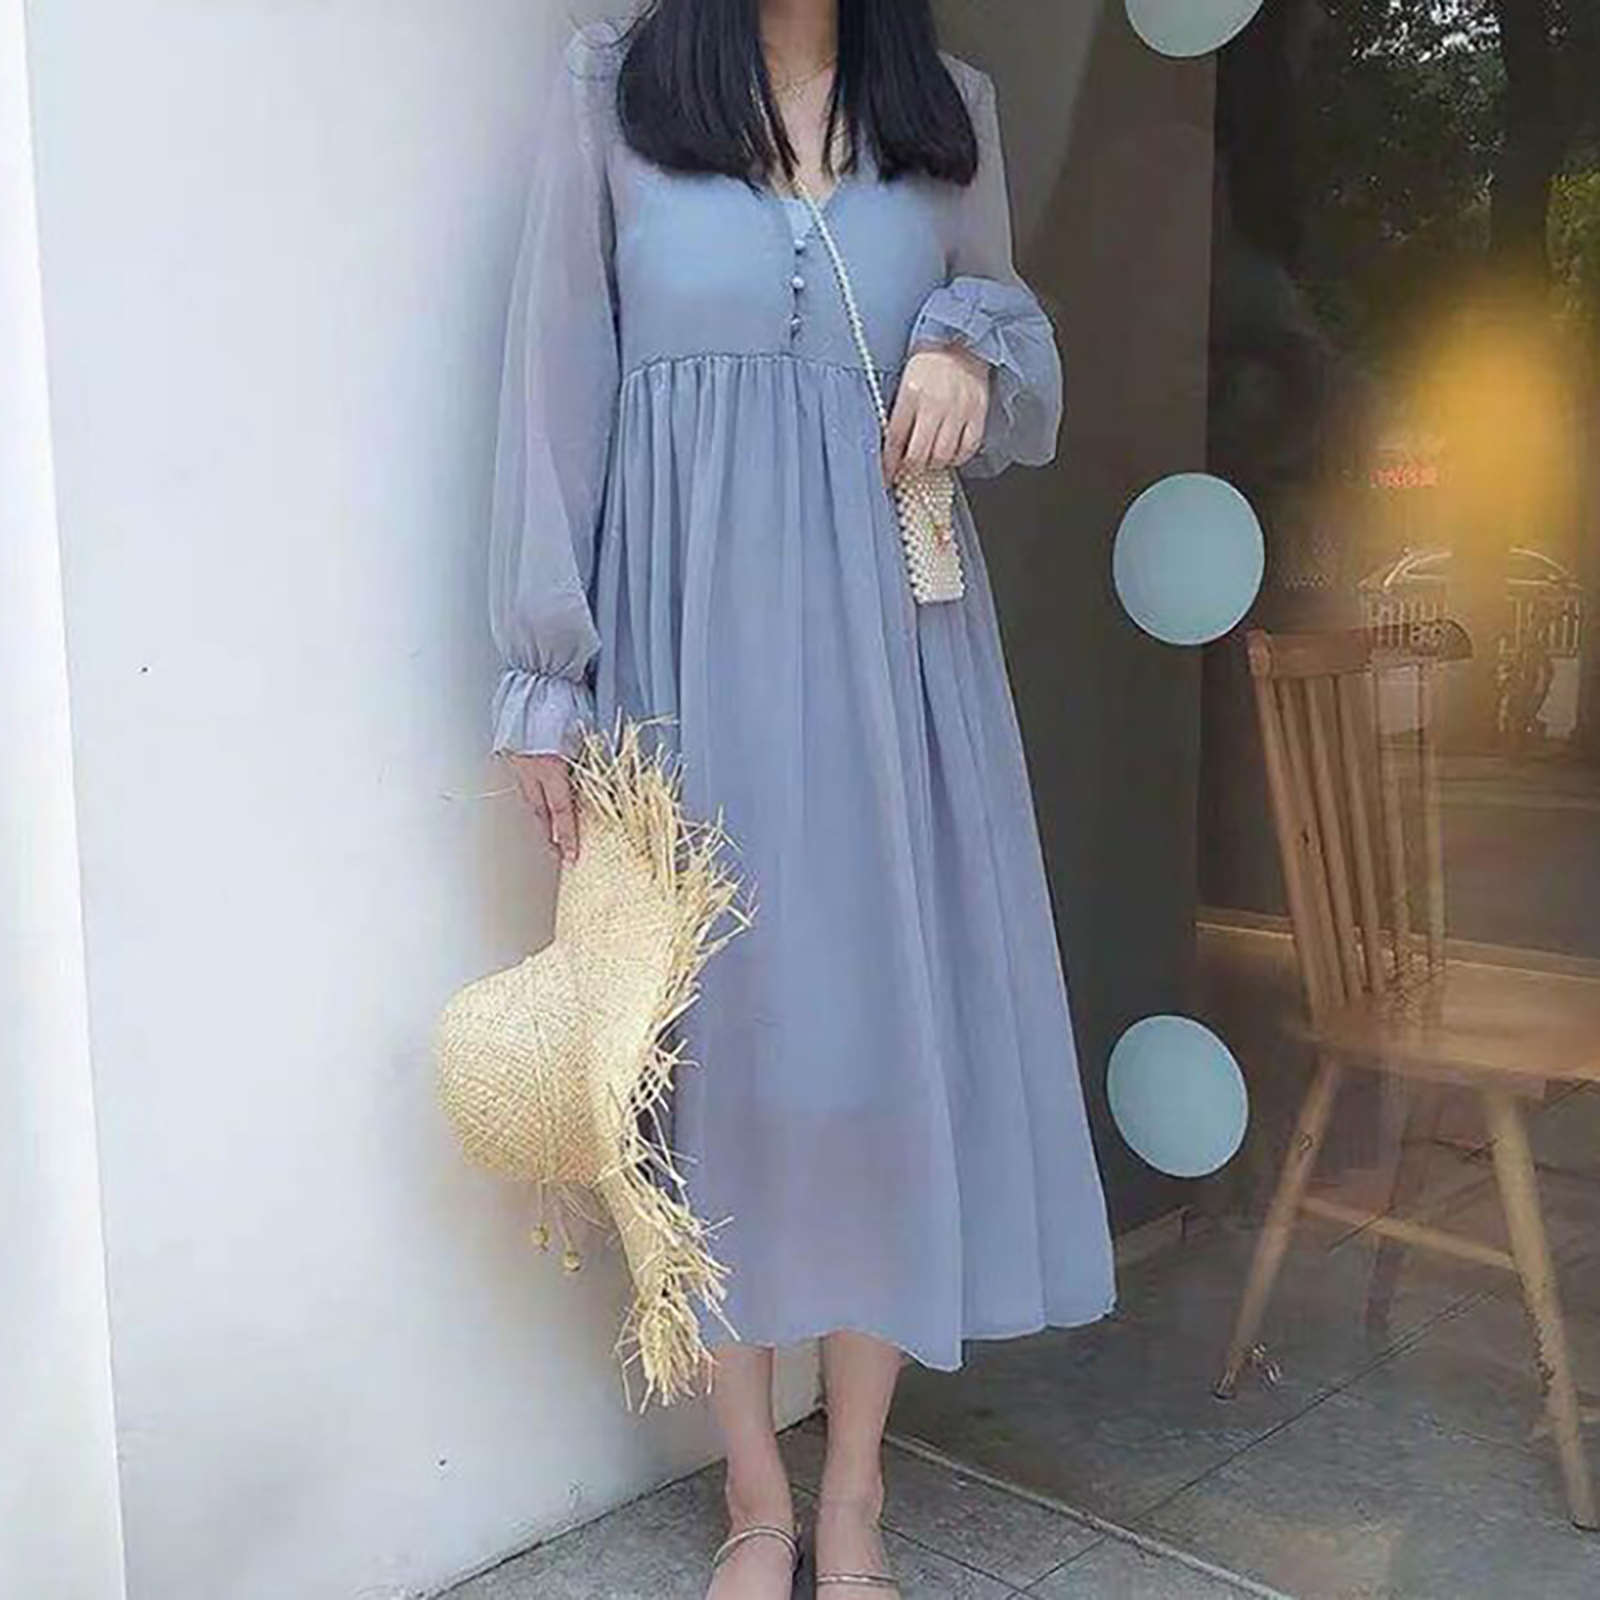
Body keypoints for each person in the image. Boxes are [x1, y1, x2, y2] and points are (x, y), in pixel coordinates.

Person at [486, 3, 1114, 1593]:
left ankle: (858, 1491)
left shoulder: (946, 112)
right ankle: (756, 1493)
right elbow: (555, 389)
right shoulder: (616, 91)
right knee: (712, 1067)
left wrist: (967, 344)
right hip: (683, 653)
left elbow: (1027, 376)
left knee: (879, 1058)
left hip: (895, 667)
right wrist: (545, 680)